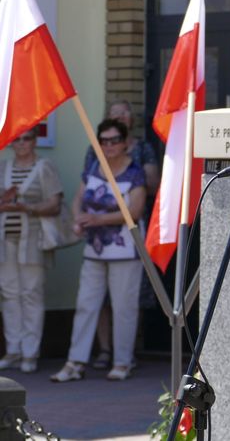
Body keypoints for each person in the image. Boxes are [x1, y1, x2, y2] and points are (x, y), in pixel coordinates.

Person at [50, 119, 146, 382]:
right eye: (104, 141)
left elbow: (135, 211)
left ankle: (123, 362)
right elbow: (78, 199)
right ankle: (75, 362)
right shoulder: (94, 167)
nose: (109, 145)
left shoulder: (135, 172)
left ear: (126, 143)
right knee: (85, 304)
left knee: (123, 307)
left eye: (115, 140)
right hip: (94, 249)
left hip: (125, 250)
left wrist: (97, 220)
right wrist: (78, 218)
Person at [86, 99, 159, 370]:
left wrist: (130, 179)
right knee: (100, 298)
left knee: (130, 295)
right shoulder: (95, 150)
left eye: (124, 115)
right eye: (114, 114)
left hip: (130, 233)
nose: (119, 118)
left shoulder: (143, 150)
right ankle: (104, 349)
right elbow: (87, 180)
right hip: (97, 237)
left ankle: (127, 351)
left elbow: (151, 184)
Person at [0, 128, 63, 374]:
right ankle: (13, 350)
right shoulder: (4, 167)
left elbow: (55, 204)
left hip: (34, 240)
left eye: (26, 138)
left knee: (31, 294)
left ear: (35, 141)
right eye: (17, 139)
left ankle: (30, 353)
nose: (22, 143)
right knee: (9, 293)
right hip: (5, 241)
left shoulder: (44, 166)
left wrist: (28, 208)